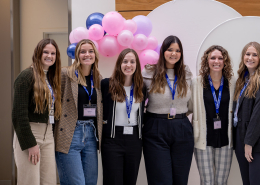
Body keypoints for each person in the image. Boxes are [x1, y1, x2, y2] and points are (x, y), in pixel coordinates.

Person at [142, 35, 193, 185]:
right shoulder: (148, 73)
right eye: (170, 49)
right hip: (155, 128)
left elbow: (191, 102)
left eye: (177, 51)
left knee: (180, 180)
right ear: (163, 51)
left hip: (182, 127)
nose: (173, 53)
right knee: (160, 180)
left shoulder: (186, 73)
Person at [12, 38, 61, 184]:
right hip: (30, 134)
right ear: (38, 53)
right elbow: (18, 115)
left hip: (48, 136)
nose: (49, 56)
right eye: (46, 52)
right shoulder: (26, 76)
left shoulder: (52, 77)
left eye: (53, 53)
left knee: (49, 181)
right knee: (30, 181)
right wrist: (30, 143)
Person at [54, 39, 103, 185]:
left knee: (90, 182)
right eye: (83, 51)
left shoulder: (98, 79)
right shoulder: (65, 74)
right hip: (70, 133)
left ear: (95, 55)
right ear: (77, 55)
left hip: (91, 135)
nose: (87, 54)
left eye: (90, 51)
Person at [190, 45, 235, 185]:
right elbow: (189, 106)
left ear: (225, 61)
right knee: (207, 182)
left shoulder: (233, 82)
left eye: (220, 58)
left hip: (225, 138)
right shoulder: (196, 82)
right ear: (207, 61)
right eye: (213, 58)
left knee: (222, 181)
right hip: (203, 138)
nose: (217, 61)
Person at [101, 48, 146, 185]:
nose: (129, 65)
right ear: (119, 64)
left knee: (130, 180)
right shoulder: (106, 84)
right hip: (113, 139)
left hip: (134, 140)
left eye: (132, 62)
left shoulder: (141, 87)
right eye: (125, 61)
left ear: (137, 65)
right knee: (113, 180)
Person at [233, 41, 260, 185]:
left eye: (254, 55)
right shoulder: (243, 79)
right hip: (242, 139)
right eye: (247, 54)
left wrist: (249, 142)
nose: (250, 58)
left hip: (259, 142)